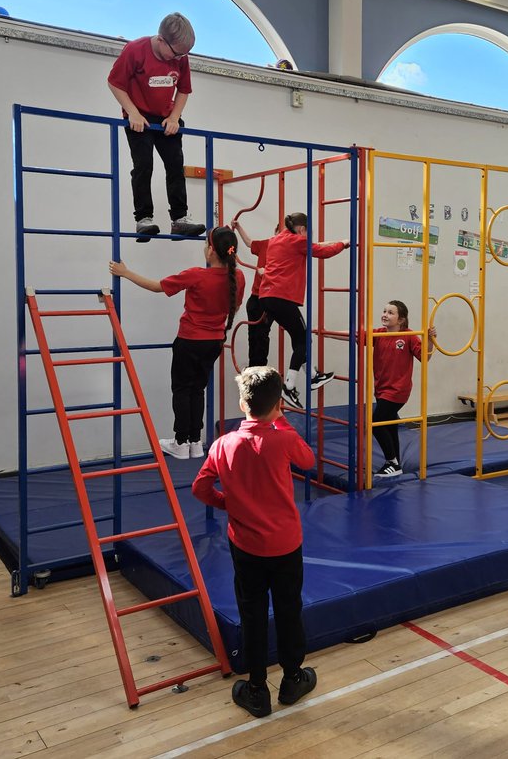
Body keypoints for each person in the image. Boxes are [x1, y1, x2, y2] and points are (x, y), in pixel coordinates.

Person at [192, 366, 318, 718]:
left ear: (243, 404)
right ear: (278, 403)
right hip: (286, 544)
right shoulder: (284, 437)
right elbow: (308, 461)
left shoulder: (224, 444)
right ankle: (293, 678)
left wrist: (229, 504)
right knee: (289, 608)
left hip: (246, 545)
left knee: (252, 613)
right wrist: (283, 421)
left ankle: (257, 688)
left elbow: (200, 489)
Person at [109, 226, 244, 460]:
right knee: (197, 389)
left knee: (182, 389)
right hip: (214, 343)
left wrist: (125, 272)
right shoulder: (238, 277)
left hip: (190, 341)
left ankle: (181, 442)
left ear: (211, 251)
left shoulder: (197, 275)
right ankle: (194, 441)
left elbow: (157, 286)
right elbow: (235, 305)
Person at [107, 12, 206, 242]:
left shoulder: (180, 57)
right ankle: (144, 218)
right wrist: (132, 112)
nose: (180, 58)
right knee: (143, 165)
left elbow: (183, 89)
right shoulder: (135, 50)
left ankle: (179, 218)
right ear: (161, 40)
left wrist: (174, 117)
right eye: (177, 52)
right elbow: (114, 83)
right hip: (139, 117)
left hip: (165, 118)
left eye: (184, 54)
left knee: (175, 165)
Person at [256, 212, 349, 411]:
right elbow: (323, 252)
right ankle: (288, 385)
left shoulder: (276, 240)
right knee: (304, 339)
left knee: (297, 336)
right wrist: (343, 244)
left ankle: (313, 376)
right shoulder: (297, 242)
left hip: (266, 297)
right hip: (282, 298)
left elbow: (314, 246)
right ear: (301, 230)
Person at [371, 300, 435, 479]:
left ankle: (392, 462)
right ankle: (395, 461)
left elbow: (425, 356)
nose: (385, 315)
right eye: (384, 311)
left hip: (398, 391)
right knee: (389, 424)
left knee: (376, 423)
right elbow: (354, 335)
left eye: (391, 313)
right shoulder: (379, 334)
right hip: (381, 389)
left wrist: (429, 340)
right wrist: (325, 333)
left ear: (401, 320)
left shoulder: (409, 335)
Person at [231, 220, 277, 369]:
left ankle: (259, 370)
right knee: (254, 336)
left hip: (270, 298)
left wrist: (267, 273)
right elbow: (250, 243)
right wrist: (238, 228)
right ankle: (254, 370)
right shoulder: (266, 244)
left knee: (262, 335)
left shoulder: (287, 253)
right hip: (256, 298)